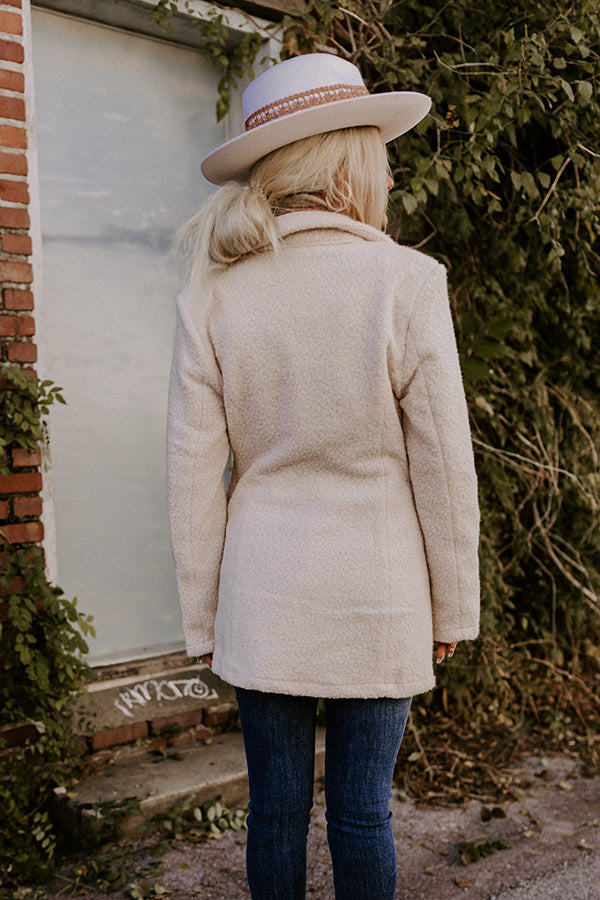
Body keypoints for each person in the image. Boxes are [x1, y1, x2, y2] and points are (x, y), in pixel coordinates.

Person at [167, 52, 480, 900]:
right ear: (348, 167)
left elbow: (192, 476)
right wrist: (454, 604)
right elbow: (444, 465)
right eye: (379, 155)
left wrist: (204, 616)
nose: (390, 174)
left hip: (260, 595)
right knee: (363, 814)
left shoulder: (214, 296)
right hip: (381, 592)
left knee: (273, 814)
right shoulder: (408, 283)